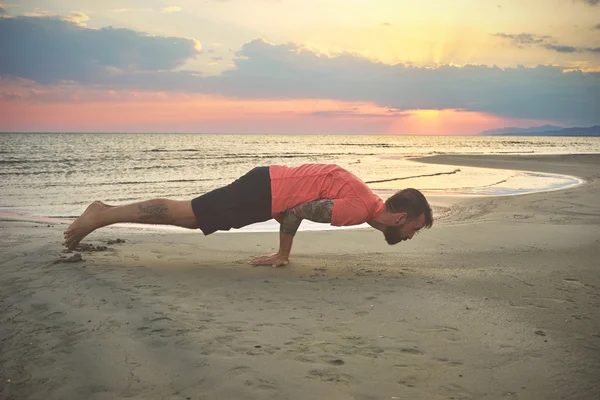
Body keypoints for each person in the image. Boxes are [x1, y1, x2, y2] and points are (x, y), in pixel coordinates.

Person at [63, 163, 433, 267]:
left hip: (266, 186)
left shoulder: (366, 203)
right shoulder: (357, 209)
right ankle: (101, 214)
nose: (412, 237)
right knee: (187, 214)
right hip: (265, 191)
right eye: (415, 229)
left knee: (191, 216)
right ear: (401, 219)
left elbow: (303, 203)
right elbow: (298, 210)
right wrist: (283, 254)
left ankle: (104, 214)